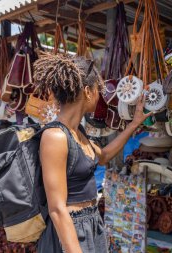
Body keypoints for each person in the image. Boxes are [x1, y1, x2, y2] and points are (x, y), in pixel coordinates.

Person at [34, 53, 151, 253]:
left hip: (91, 224)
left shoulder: (77, 133)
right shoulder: (55, 136)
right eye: (99, 89)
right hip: (69, 231)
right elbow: (57, 208)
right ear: (88, 91)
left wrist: (134, 124)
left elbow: (104, 156)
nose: (100, 95)